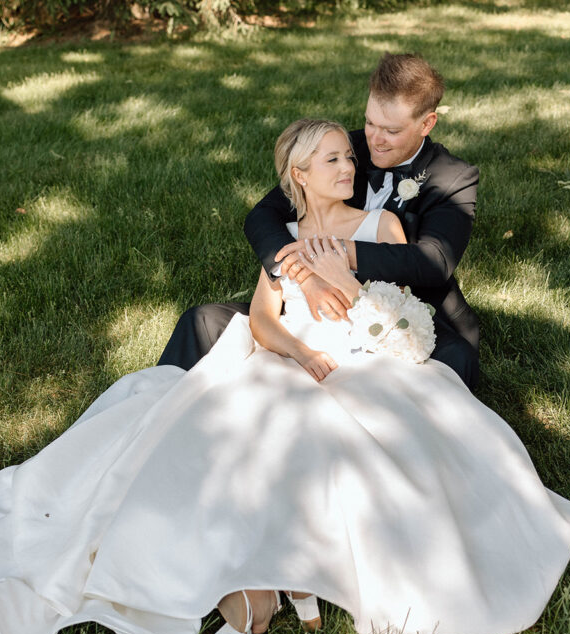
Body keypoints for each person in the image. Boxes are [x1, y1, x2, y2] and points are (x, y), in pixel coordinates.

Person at [0, 118, 570, 634]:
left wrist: (344, 287)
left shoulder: (381, 229)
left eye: (349, 159)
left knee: (334, 431)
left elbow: (401, 299)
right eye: (333, 161)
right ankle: (257, 582)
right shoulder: (285, 237)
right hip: (291, 355)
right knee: (213, 423)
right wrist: (296, 350)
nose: (349, 167)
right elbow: (265, 317)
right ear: (301, 174)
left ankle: (285, 575)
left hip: (367, 357)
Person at [158, 52, 481, 391]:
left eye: (391, 130)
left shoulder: (453, 177)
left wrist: (336, 254)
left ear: (426, 124)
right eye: (370, 122)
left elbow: (433, 263)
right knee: (202, 321)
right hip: (307, 314)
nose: (374, 139)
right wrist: (305, 273)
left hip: (405, 310)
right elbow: (262, 217)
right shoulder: (341, 149)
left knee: (452, 360)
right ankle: (161, 404)